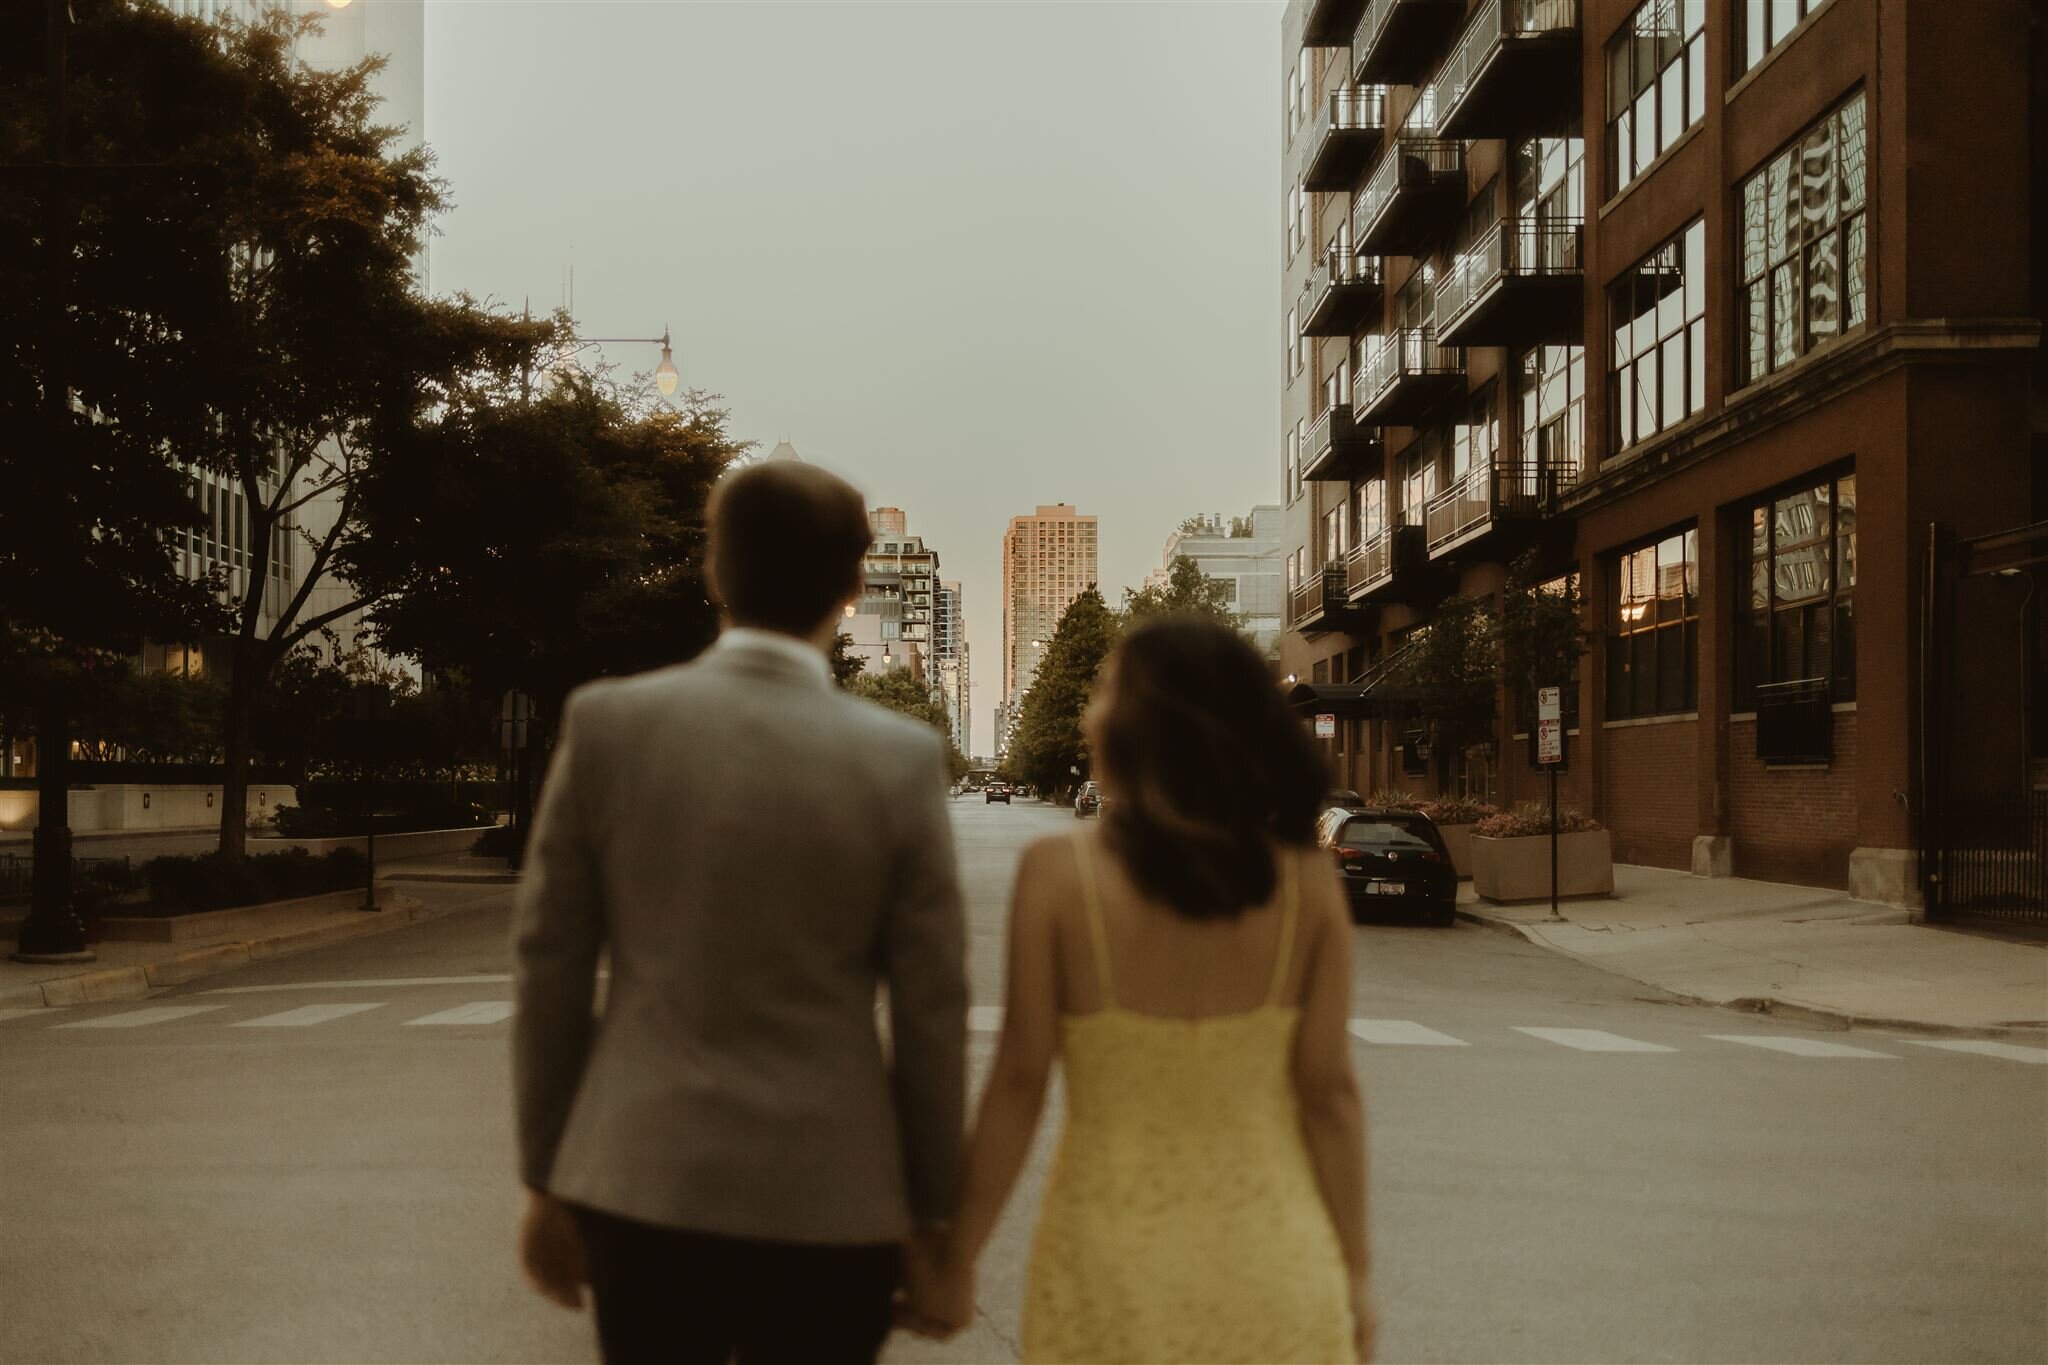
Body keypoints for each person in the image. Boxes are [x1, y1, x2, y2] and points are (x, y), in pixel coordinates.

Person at [511, 460, 969, 1365]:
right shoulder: (901, 760)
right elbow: (931, 1016)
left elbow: (550, 968)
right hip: (836, 1199)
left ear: (715, 572)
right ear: (850, 587)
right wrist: (931, 1216)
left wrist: (546, 1178)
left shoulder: (607, 726)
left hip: (642, 1185)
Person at [905, 615, 1375, 1363]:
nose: (1089, 711)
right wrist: (1353, 1276)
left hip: (1105, 1275)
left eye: (1103, 690)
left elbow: (1019, 1085)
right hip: (1275, 1268)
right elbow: (1329, 1097)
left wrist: (956, 1257)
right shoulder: (1307, 885)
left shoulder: (1058, 877)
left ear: (1137, 726)